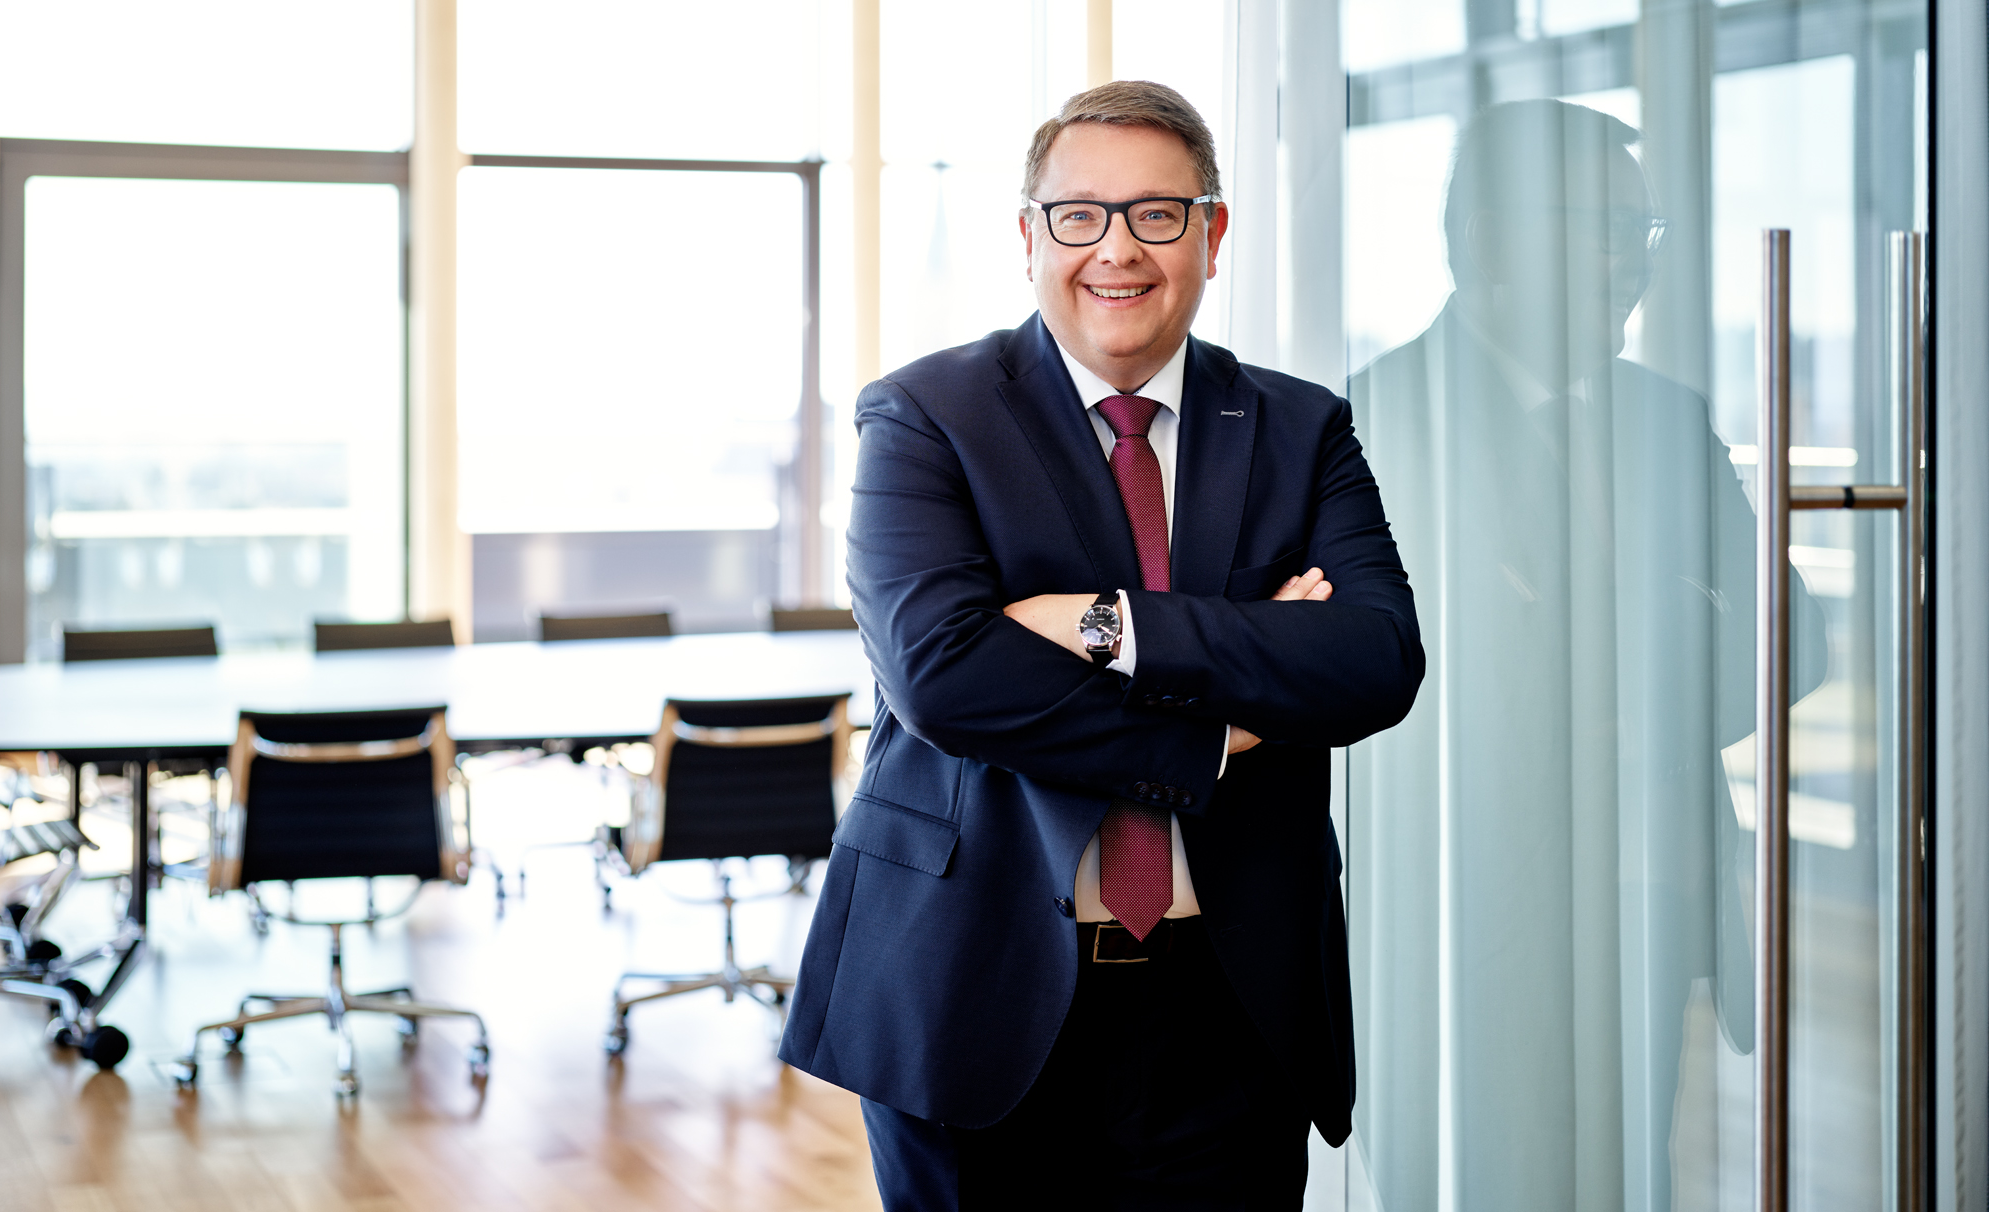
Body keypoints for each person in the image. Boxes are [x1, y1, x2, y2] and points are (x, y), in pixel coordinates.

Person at [779, 80, 1425, 1209]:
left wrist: (1103, 624)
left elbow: (1374, 659)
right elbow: (944, 677)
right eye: (1079, 215)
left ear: (1211, 235)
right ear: (1029, 237)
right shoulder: (925, 415)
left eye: (1157, 214)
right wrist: (1221, 726)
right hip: (971, 983)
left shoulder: (1298, 425)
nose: (1116, 249)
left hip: (1232, 1005)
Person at [1344, 99, 1825, 1208]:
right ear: (1494, 241)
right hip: (1450, 913)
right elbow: (1389, 674)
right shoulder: (1375, 420)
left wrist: (1635, 705)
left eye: (1641, 231)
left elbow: (1784, 636)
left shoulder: (1663, 418)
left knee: (1618, 1181)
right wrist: (1626, 658)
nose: (1633, 263)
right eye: (1603, 230)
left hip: (1641, 895)